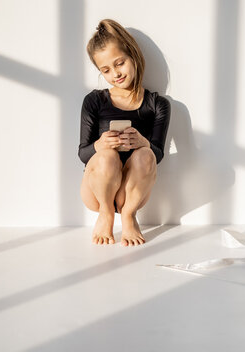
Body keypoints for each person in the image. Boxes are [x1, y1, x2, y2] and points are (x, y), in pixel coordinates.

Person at [79, 19, 170, 246]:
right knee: (107, 155)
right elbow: (82, 153)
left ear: (133, 56)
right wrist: (99, 145)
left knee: (146, 153)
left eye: (119, 63)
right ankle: (107, 214)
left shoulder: (157, 104)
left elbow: (157, 154)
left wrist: (143, 143)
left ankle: (129, 216)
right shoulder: (94, 101)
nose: (115, 74)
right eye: (106, 70)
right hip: (98, 192)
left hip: (132, 193)